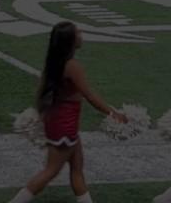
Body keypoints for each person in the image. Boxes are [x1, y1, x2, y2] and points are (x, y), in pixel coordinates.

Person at [8, 22, 127, 203]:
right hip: (65, 125)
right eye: (78, 32)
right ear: (70, 40)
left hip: (59, 123)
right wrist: (113, 113)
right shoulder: (72, 66)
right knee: (51, 171)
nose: (81, 34)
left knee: (76, 168)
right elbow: (89, 95)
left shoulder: (53, 63)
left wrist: (43, 115)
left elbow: (41, 92)